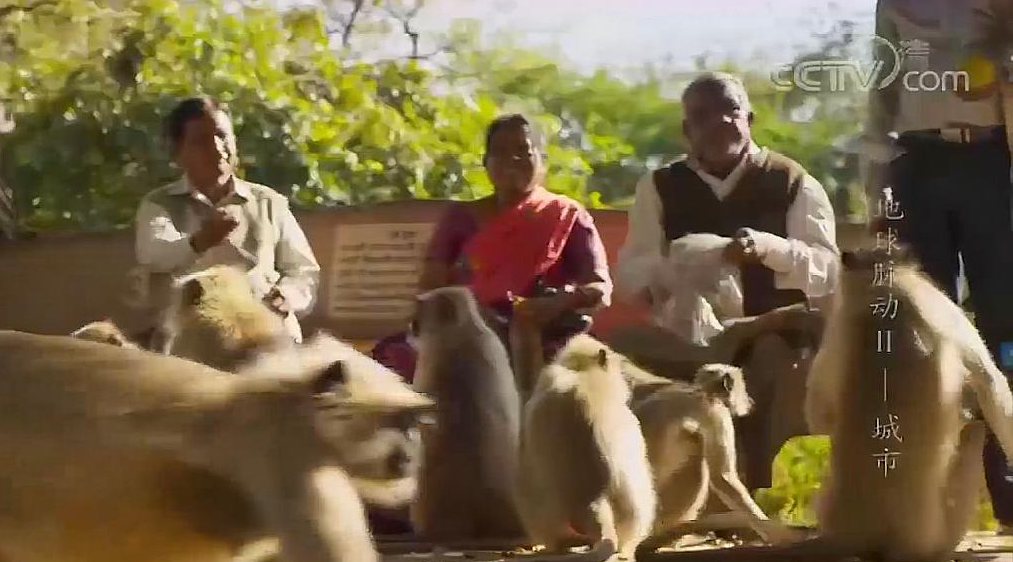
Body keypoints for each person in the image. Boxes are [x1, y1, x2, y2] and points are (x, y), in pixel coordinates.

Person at [611, 72, 840, 492]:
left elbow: (826, 269)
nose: (718, 123)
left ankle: (761, 500)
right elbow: (631, 273)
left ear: (749, 117)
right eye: (702, 115)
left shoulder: (791, 181)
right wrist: (683, 264)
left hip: (771, 333)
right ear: (686, 130)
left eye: (730, 111)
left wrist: (768, 249)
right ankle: (653, 497)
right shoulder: (660, 186)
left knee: (774, 365)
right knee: (616, 359)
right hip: (687, 338)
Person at [862, 0, 1013, 534]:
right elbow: (882, 90)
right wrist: (875, 184)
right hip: (916, 167)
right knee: (922, 335)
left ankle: (1010, 499)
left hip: (993, 165)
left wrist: (998, 71)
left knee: (1006, 330)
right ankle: (922, 506)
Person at [370, 113, 614, 384]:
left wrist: (557, 303)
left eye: (523, 151)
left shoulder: (566, 214)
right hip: (466, 332)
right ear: (486, 163)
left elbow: (600, 287)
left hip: (541, 333)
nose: (512, 160)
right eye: (500, 152)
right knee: (391, 357)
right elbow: (431, 287)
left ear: (541, 159)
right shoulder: (460, 217)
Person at [133, 96, 321, 343]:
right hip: (192, 352)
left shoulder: (268, 202)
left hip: (269, 344)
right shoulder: (158, 204)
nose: (217, 149)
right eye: (201, 141)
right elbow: (153, 254)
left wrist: (286, 296)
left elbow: (304, 271)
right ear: (178, 154)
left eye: (222, 136)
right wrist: (200, 241)